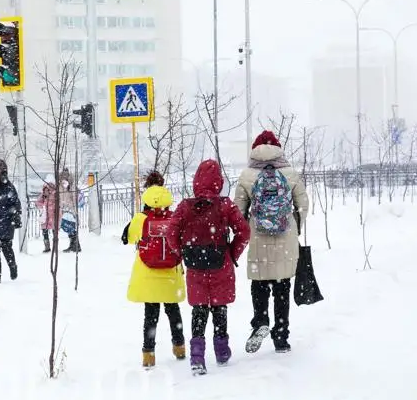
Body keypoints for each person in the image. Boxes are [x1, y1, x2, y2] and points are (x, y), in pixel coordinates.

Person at [168, 159, 250, 375]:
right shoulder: (225, 205)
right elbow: (244, 231)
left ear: (196, 181)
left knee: (199, 310)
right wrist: (232, 253)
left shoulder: (185, 206)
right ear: (218, 183)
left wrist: (182, 253)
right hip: (220, 264)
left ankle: (197, 357)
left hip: (195, 266)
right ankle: (222, 351)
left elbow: (171, 234)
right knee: (220, 308)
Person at [234, 130, 309, 354]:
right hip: (285, 240)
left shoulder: (247, 175)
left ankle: (260, 322)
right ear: (278, 148)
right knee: (282, 287)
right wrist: (294, 225)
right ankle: (281, 336)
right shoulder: (290, 173)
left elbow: (238, 211)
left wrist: (249, 228)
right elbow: (303, 204)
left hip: (259, 238)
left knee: (259, 284)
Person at [125, 184, 186, 368]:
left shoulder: (141, 219)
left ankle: (149, 354)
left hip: (148, 276)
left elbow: (129, 238)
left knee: (150, 316)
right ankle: (179, 347)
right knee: (173, 312)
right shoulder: (175, 217)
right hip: (170, 277)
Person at [122, 170, 166, 245]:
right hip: (168, 256)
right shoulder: (173, 216)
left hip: (146, 255)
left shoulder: (141, 217)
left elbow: (130, 238)